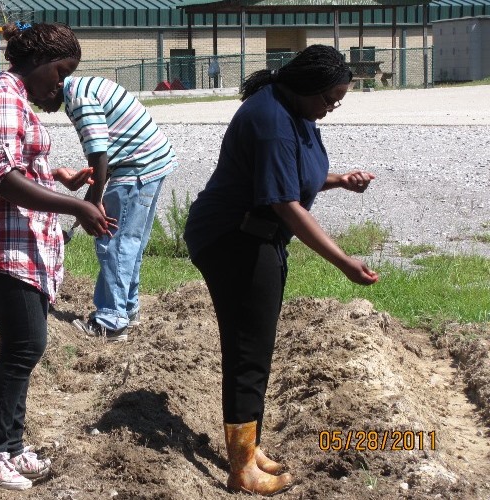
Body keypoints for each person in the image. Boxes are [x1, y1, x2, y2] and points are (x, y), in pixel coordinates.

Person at [182, 45, 380, 496]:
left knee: (256, 346)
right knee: (248, 350)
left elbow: (290, 176)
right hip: (234, 240)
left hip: (256, 237)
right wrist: (344, 261)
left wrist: (337, 179)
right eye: (329, 99)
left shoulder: (294, 111)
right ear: (307, 86)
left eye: (338, 101)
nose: (330, 109)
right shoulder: (271, 121)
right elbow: (284, 203)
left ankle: (248, 450)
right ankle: (241, 469)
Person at [0, 21, 113, 491]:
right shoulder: (3, 96)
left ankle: (10, 441)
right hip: (4, 241)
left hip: (23, 239)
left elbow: (19, 166)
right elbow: (4, 178)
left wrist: (59, 182)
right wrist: (78, 206)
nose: (61, 84)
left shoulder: (16, 98)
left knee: (26, 345)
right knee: (24, 345)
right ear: (39, 61)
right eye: (61, 71)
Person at [38, 76, 178, 342]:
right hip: (151, 161)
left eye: (37, 93)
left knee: (114, 242)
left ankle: (111, 321)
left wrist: (95, 201)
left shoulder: (79, 99)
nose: (36, 101)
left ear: (53, 82)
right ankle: (127, 308)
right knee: (130, 242)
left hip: (136, 166)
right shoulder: (81, 89)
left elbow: (99, 154)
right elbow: (104, 154)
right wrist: (93, 195)